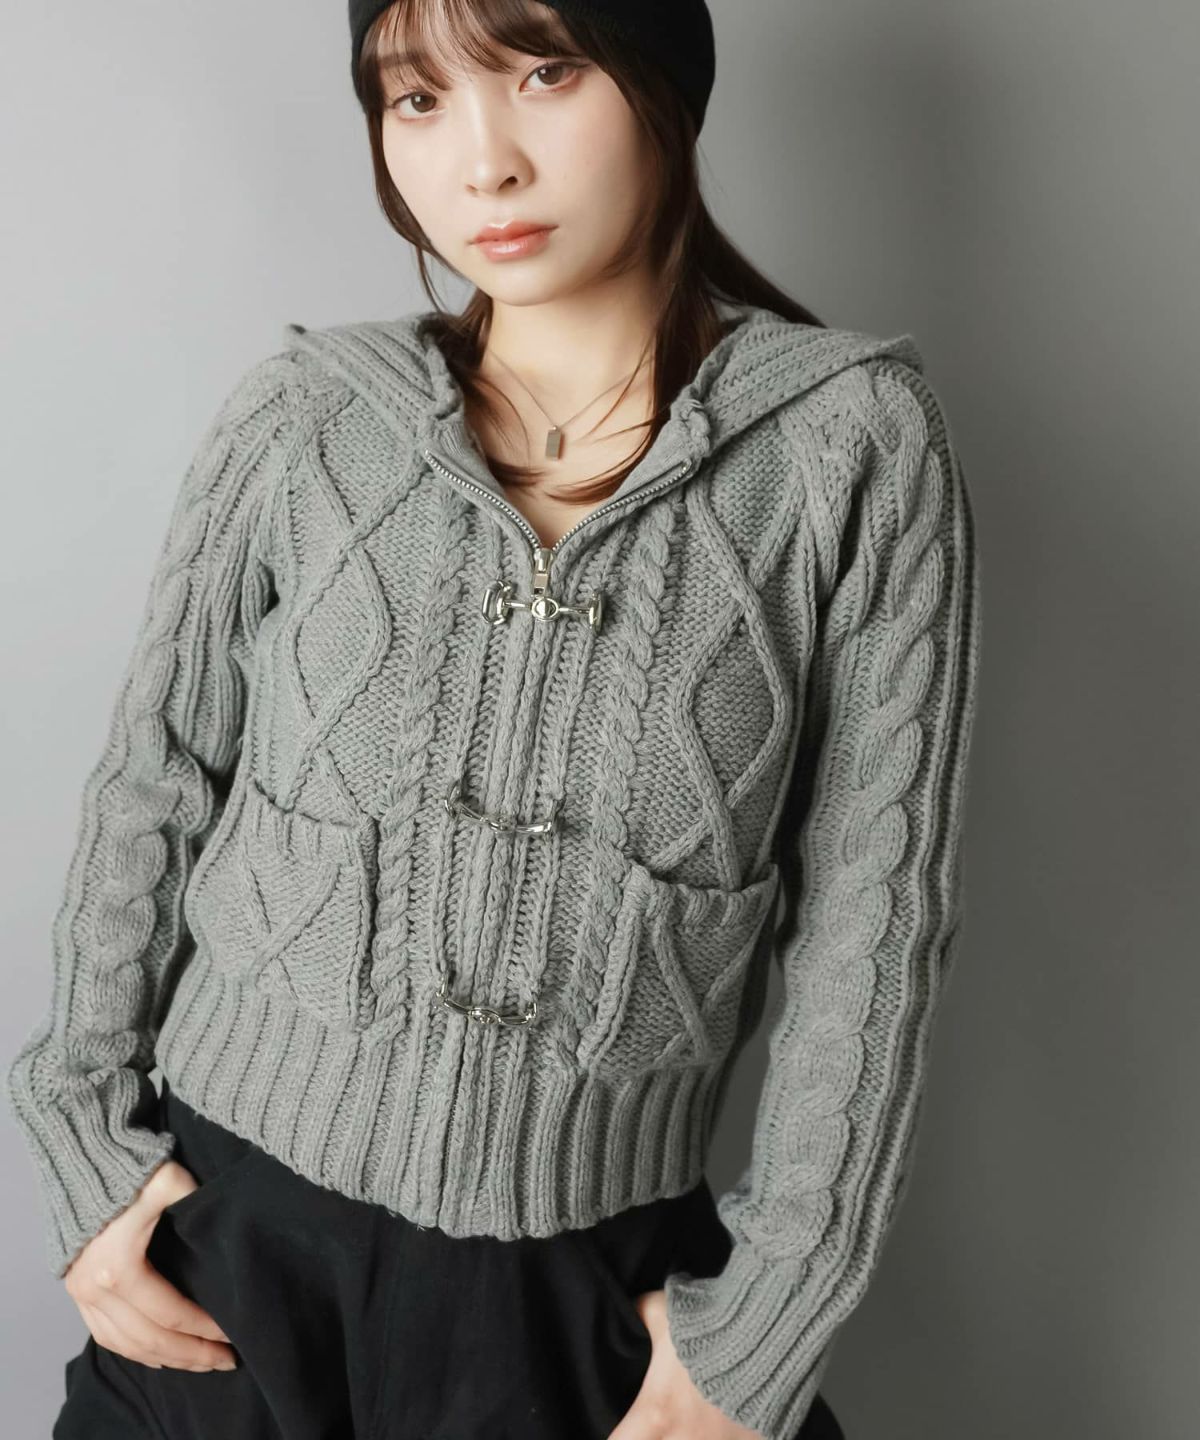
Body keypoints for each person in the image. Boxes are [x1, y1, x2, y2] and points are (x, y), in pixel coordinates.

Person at [8, 1, 982, 1437]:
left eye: (546, 73)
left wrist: (775, 1314)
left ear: (661, 87)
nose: (485, 161)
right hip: (227, 1251)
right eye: (417, 100)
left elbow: (873, 918)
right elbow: (152, 786)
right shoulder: (304, 419)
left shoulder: (850, 448)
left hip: (580, 1294)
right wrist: (83, 1145)